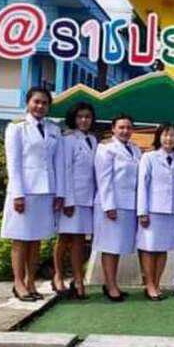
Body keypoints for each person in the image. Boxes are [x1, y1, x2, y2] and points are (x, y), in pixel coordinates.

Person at [1, 87, 64, 302]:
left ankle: (30, 281)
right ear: (28, 103)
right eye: (36, 102)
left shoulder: (54, 129)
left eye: (44, 103)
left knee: (36, 239)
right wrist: (18, 194)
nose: (40, 106)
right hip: (25, 191)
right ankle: (18, 283)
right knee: (20, 238)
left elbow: (58, 163)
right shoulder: (16, 127)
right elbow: (14, 163)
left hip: (46, 191)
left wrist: (59, 193)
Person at [137, 123, 174, 301]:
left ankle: (157, 283)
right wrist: (142, 212)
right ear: (159, 137)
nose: (169, 139)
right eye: (165, 135)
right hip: (152, 211)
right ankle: (149, 284)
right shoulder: (149, 158)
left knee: (162, 249)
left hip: (172, 211)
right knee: (149, 248)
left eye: (173, 135)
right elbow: (142, 186)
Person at [93, 114, 141, 302]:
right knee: (110, 246)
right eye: (121, 127)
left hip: (129, 204)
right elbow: (103, 178)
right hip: (112, 204)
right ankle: (111, 285)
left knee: (119, 245)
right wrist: (109, 206)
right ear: (113, 129)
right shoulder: (106, 148)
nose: (125, 131)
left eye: (128, 127)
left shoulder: (135, 149)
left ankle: (112, 283)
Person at [53, 102, 97, 300]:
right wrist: (67, 199)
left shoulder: (93, 140)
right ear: (74, 118)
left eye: (88, 116)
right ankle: (58, 275)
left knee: (80, 240)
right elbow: (65, 169)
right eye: (80, 117)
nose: (84, 120)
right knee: (64, 238)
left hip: (87, 197)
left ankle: (78, 279)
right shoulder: (68, 139)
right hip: (71, 197)